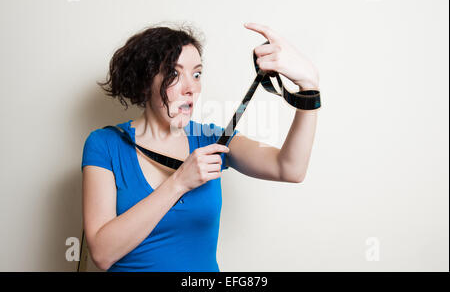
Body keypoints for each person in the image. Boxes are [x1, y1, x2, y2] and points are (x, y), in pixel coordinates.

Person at [81, 22, 320, 272]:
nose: (191, 88)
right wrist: (179, 183)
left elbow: (290, 168)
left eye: (196, 74)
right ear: (144, 82)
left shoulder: (210, 138)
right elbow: (102, 253)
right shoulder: (104, 144)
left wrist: (309, 85)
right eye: (174, 74)